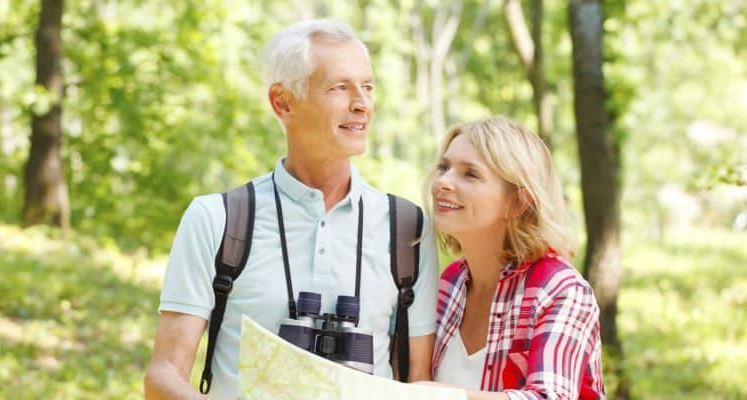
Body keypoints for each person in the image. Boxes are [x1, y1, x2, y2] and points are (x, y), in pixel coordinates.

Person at [143, 18, 439, 400]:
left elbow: (416, 383)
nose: (362, 104)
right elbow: (163, 376)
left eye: (367, 87)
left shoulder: (408, 229)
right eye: (339, 88)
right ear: (282, 102)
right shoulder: (217, 220)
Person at [422, 117, 605, 399]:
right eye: (444, 167)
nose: (443, 182)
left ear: (518, 202)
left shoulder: (562, 291)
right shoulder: (448, 285)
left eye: (470, 174)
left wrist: (441, 396)